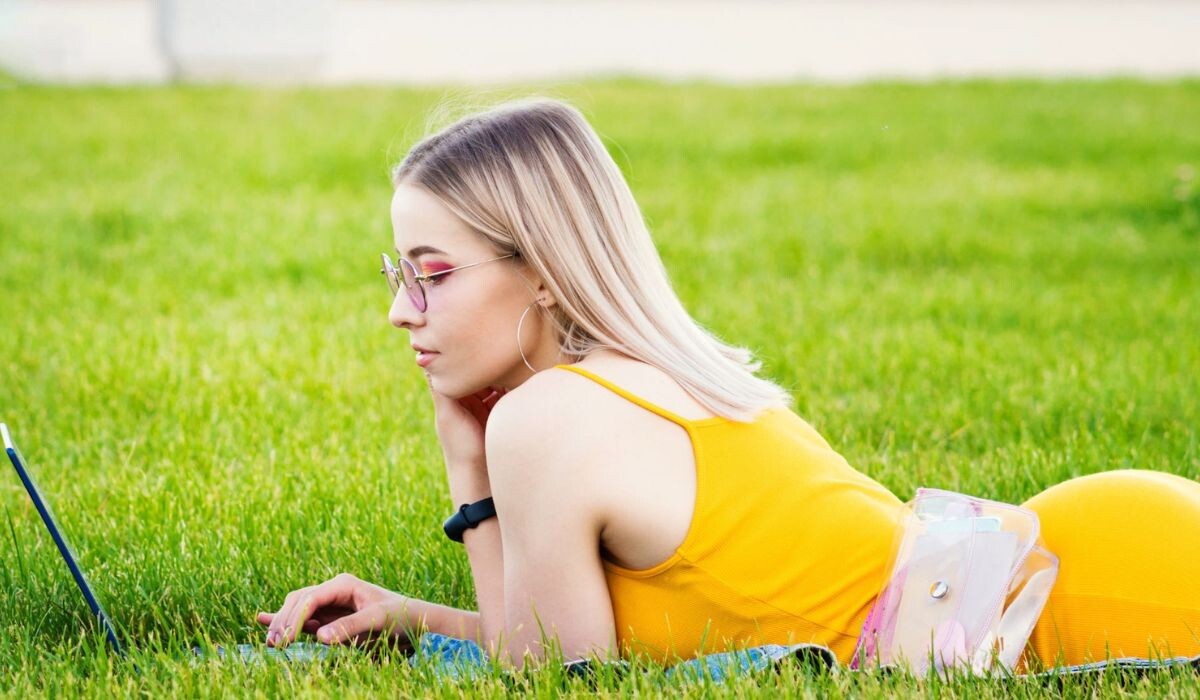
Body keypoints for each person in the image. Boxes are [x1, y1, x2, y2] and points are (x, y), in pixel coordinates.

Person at [256, 97, 1200, 673]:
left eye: (434, 272)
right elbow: (574, 647)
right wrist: (412, 617)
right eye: (397, 275)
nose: (400, 312)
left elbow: (547, 676)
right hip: (1071, 560)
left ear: (542, 270)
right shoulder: (629, 378)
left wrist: (469, 468)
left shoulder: (547, 417)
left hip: (1096, 601)